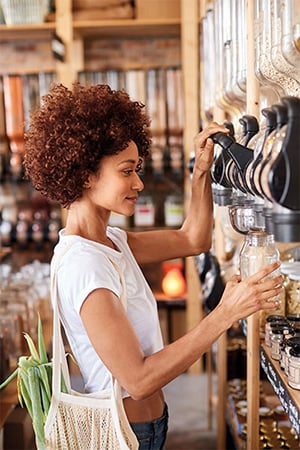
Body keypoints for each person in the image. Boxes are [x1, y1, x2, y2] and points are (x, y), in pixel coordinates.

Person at [24, 83, 283, 450]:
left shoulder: (110, 242)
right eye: (126, 171)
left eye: (138, 169)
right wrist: (225, 314)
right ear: (84, 174)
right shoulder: (86, 266)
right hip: (128, 435)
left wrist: (201, 172)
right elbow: (138, 380)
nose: (139, 182)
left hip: (148, 425)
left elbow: (193, 240)